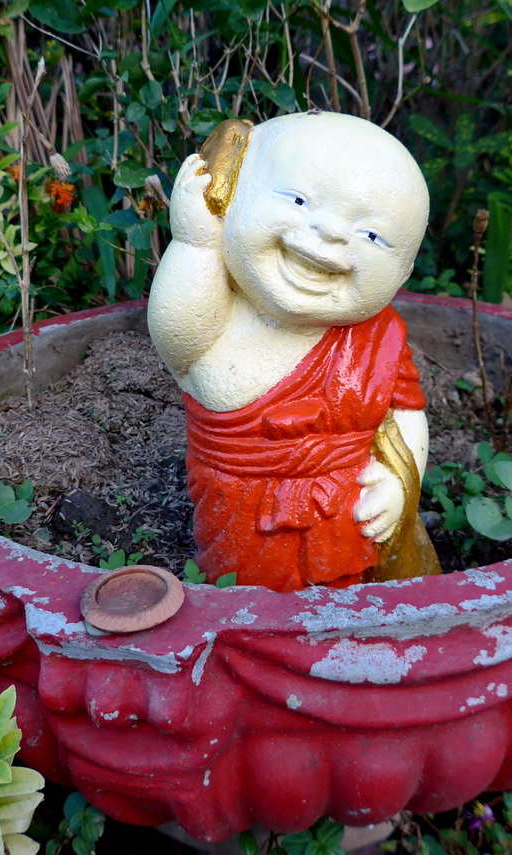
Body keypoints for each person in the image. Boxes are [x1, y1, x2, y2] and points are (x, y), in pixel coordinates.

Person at [148, 111, 439, 592]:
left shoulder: (376, 336)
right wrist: (195, 242)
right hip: (240, 502)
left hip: (346, 508)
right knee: (246, 595)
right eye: (300, 199)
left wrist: (396, 484)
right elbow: (179, 338)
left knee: (350, 590)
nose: (329, 233)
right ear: (231, 201)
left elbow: (405, 413)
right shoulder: (217, 308)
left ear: (404, 271)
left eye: (372, 236)